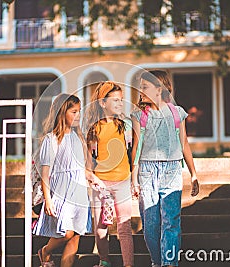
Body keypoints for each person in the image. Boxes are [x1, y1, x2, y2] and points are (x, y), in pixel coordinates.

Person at [131, 70, 199, 267]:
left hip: (172, 171)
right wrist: (134, 178)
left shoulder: (178, 113)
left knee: (171, 222)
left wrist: (193, 174)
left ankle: (169, 263)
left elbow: (184, 143)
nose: (140, 91)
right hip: (147, 172)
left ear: (159, 89)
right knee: (151, 224)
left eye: (145, 87)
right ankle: (157, 262)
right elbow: (137, 147)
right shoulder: (139, 115)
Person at [32, 94, 92, 267]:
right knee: (66, 233)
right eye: (74, 111)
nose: (78, 115)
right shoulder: (51, 139)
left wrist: (94, 180)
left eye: (79, 111)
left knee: (75, 237)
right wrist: (48, 200)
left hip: (79, 194)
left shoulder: (78, 137)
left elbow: (81, 168)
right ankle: (46, 251)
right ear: (62, 112)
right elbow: (46, 173)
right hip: (60, 192)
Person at [83, 81, 134, 267]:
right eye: (115, 100)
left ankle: (128, 264)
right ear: (103, 103)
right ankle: (104, 261)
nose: (120, 103)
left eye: (121, 100)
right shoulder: (94, 128)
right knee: (100, 228)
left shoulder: (126, 126)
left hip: (122, 182)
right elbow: (89, 161)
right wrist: (92, 178)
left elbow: (133, 152)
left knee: (124, 226)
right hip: (101, 184)